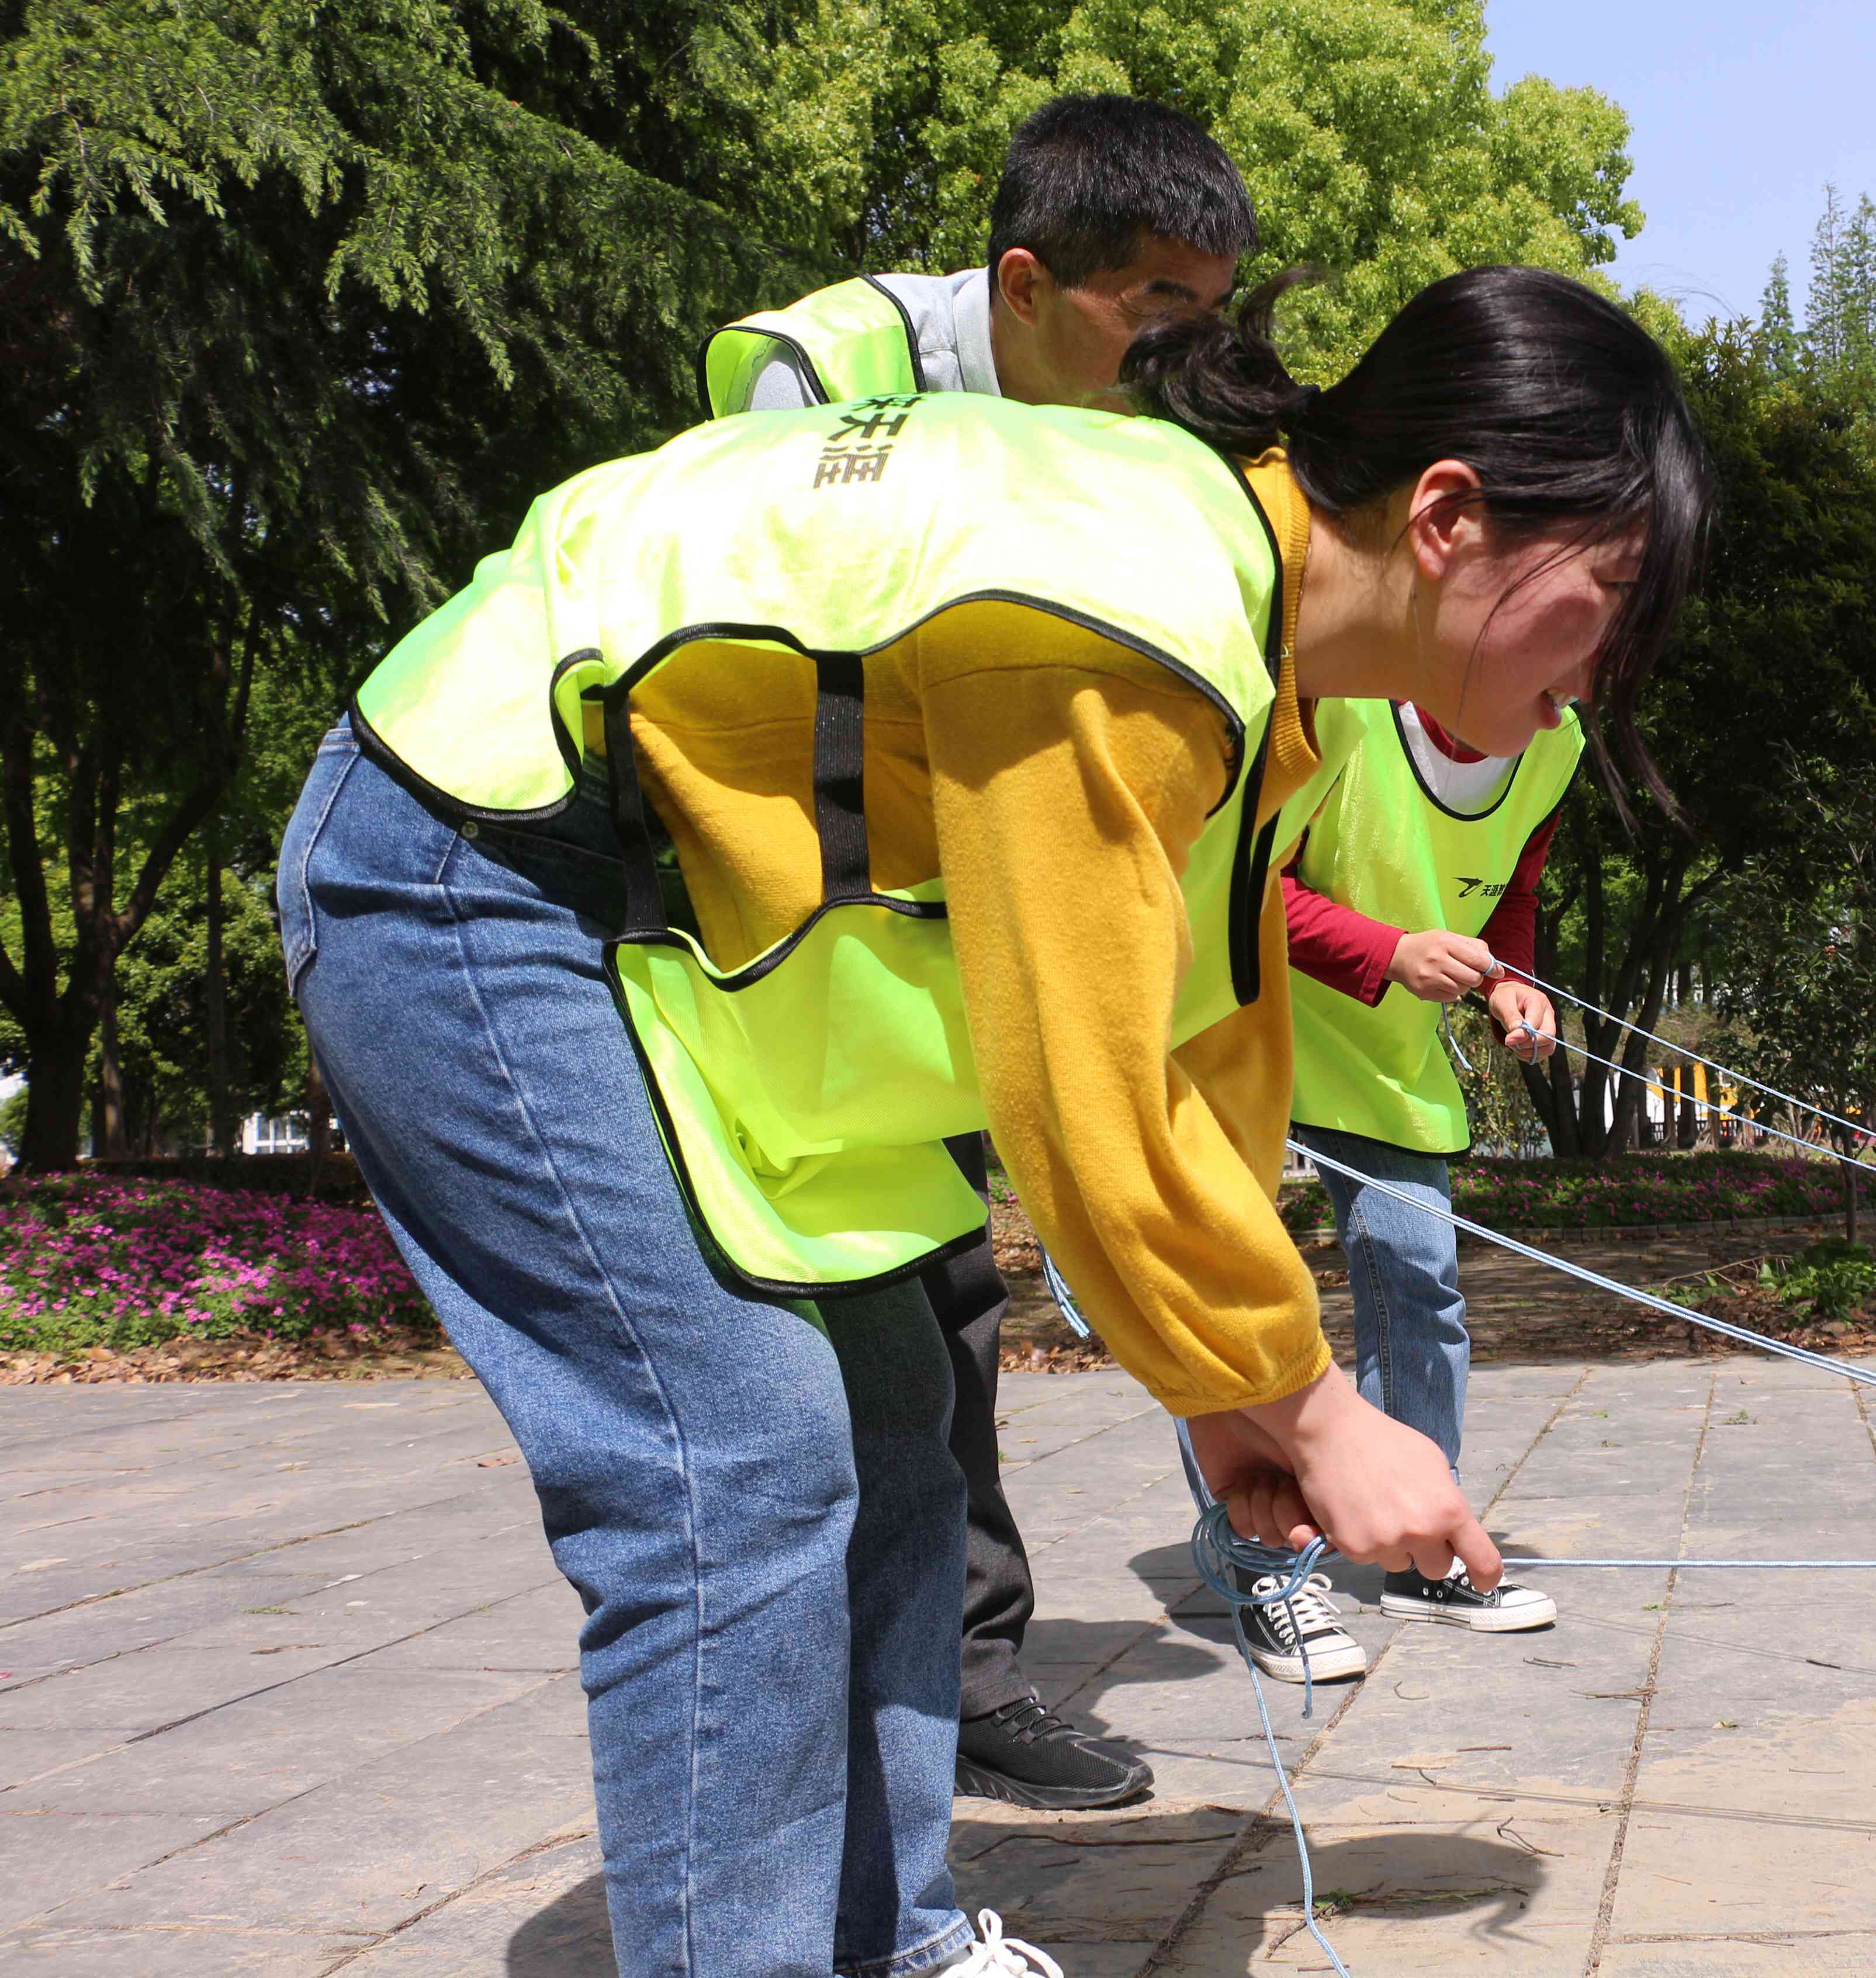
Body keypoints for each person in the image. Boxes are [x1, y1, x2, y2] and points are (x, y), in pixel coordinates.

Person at [280, 262, 1712, 1978]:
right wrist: (1327, 1417)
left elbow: (1208, 1051)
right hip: (469, 855)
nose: (1618, 668)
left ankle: (892, 1939)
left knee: (897, 1424)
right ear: (1452, 516)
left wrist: (1241, 1391)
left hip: (638, 886)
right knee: (734, 1465)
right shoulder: (1136, 612)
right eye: (1613, 601)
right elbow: (1082, 1102)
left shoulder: (1265, 665)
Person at [701, 92, 1251, 1815]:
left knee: (945, 1298)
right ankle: (839, 1741)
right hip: (755, 903)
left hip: (932, 905)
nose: (1174, 359)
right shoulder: (815, 370)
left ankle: (963, 1674)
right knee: (819, 1350)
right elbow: (799, 658)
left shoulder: (1111, 439)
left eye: (1200, 320)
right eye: (1148, 313)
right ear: (1024, 279)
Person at [1203, 694, 1577, 1682]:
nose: (1563, 693)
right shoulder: (1341, 709)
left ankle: (1421, 1547)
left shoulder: (1554, 740)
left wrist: (1509, 979)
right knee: (1237, 1302)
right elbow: (1229, 882)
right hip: (1246, 1035)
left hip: (1385, 1067)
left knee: (1420, 1288)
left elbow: (1511, 892)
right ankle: (1266, 1569)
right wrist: (1386, 951)